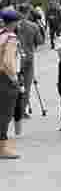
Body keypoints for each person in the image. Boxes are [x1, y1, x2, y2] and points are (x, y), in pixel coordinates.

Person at [0, 9, 21, 160]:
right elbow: (8, 62)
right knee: (5, 114)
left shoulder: (1, 35)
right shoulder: (11, 38)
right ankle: (2, 149)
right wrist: (14, 79)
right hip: (5, 78)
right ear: (14, 23)